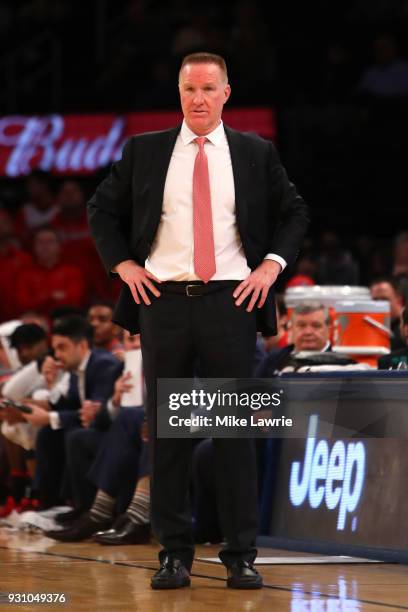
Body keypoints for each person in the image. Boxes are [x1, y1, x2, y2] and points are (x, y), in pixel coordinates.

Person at [88, 52, 309, 590]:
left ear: (226, 92)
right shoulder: (145, 150)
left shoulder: (255, 152)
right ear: (180, 93)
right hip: (162, 302)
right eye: (190, 89)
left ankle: (240, 554)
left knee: (232, 432)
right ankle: (174, 553)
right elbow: (101, 209)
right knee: (170, 434)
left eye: (209, 88)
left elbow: (294, 212)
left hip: (231, 303)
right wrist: (122, 265)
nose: (199, 99)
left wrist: (270, 268)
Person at [14, 227, 86, 318]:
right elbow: (22, 304)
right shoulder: (24, 274)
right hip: (35, 320)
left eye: (50, 242)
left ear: (60, 246)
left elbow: (75, 300)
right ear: (34, 247)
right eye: (40, 242)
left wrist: (40, 299)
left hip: (67, 319)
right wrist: (52, 296)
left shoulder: (72, 271)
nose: (45, 246)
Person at [370, 277, 405, 350]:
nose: (379, 304)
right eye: (375, 300)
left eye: (384, 299)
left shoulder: (404, 328)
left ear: (399, 299)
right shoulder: (371, 326)